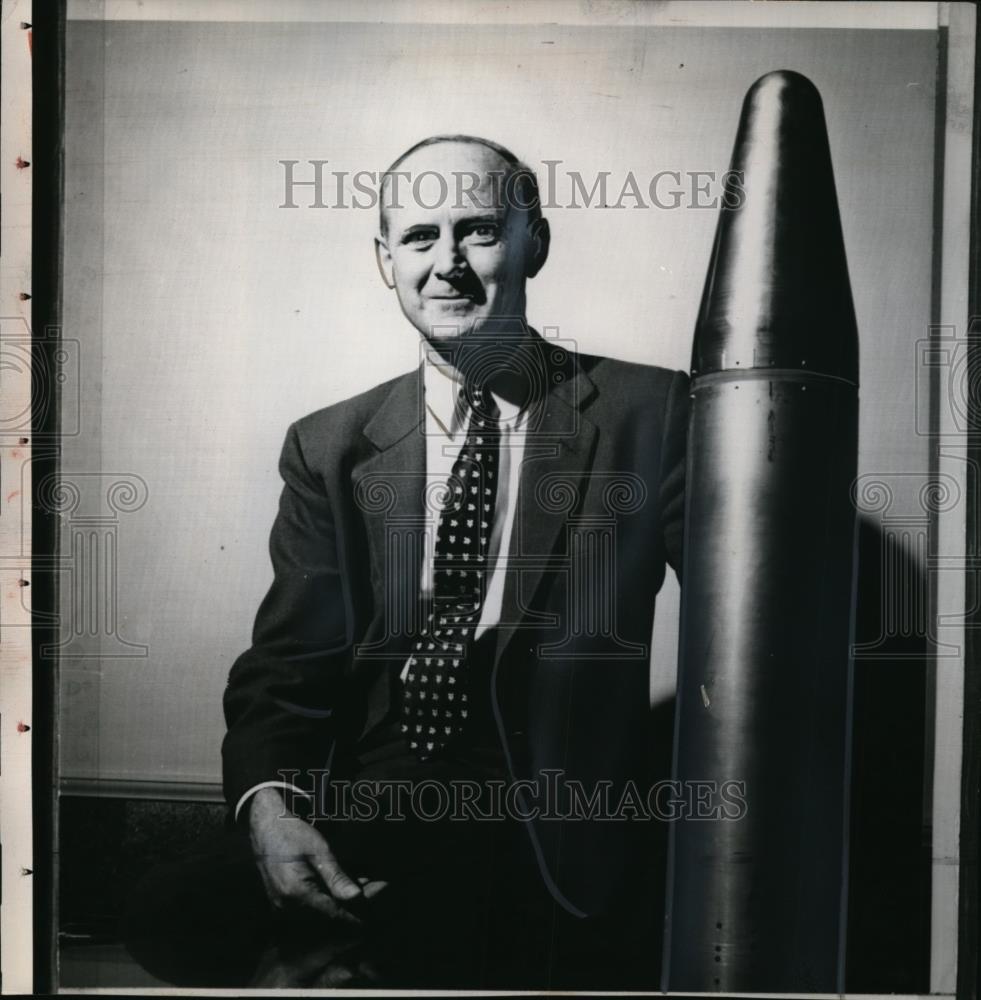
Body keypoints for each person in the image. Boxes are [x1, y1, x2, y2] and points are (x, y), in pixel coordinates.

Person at [124, 134, 688, 989]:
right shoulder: (330, 445)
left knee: (439, 931)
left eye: (478, 231)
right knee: (172, 913)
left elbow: (751, 631)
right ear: (384, 260)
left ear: (535, 241)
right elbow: (288, 665)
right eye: (420, 238)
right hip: (374, 796)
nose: (447, 264)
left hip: (548, 803)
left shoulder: (655, 411)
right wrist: (269, 809)